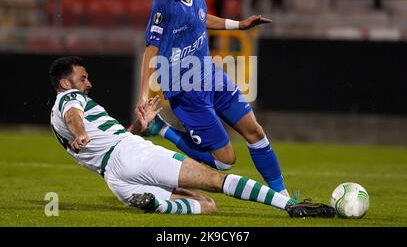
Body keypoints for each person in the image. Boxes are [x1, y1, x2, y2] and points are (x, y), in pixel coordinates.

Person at [49, 56, 335, 217]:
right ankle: (290, 206)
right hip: (134, 155)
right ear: (65, 83)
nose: (89, 83)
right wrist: (81, 133)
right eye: (83, 77)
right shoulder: (69, 99)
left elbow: (104, 140)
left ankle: (157, 204)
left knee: (206, 207)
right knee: (216, 181)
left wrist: (140, 126)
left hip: (115, 178)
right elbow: (73, 116)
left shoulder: (55, 118)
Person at [138, 0, 290, 197]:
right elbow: (150, 50)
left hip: (211, 75)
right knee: (224, 161)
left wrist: (239, 25)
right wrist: (143, 96)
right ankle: (161, 128)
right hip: (185, 88)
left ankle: (284, 197)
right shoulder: (164, 2)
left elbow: (201, 18)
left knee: (254, 131)